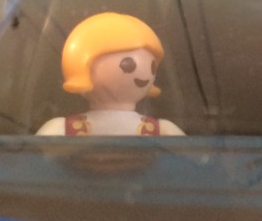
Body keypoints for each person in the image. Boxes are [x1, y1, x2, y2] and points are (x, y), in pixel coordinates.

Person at [37, 12, 184, 137]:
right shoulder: (61, 128)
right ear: (83, 65)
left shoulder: (162, 128)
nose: (145, 73)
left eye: (152, 67)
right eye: (128, 65)